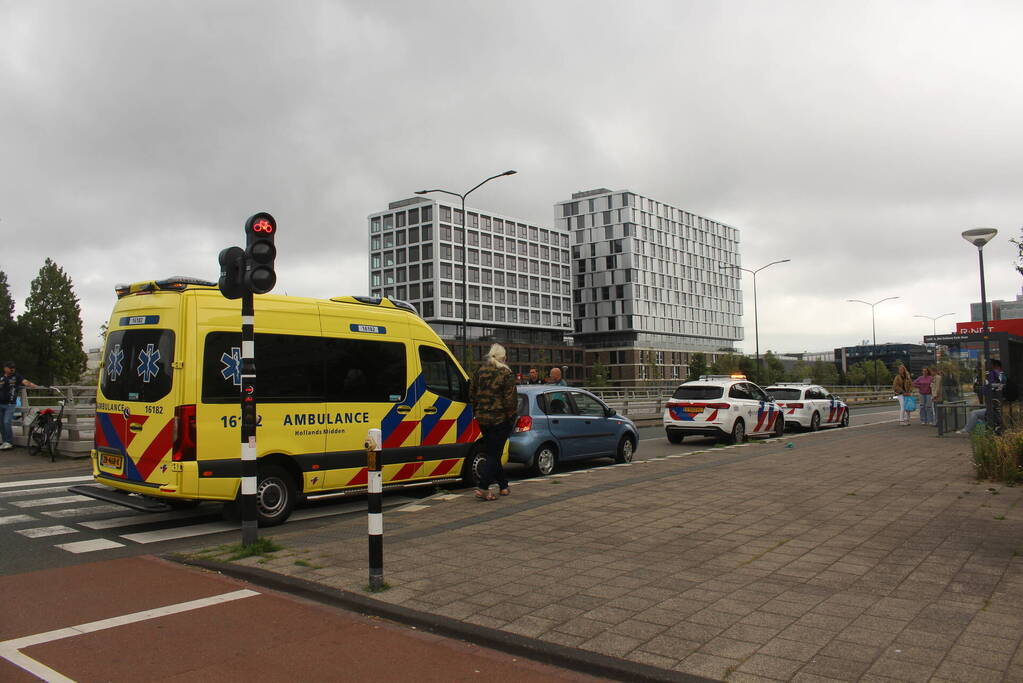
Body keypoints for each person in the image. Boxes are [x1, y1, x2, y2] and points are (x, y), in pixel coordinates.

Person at [469, 343, 517, 501]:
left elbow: (472, 393)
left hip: (482, 418)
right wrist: (511, 418)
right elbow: (510, 400)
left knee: (492, 452)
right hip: (499, 419)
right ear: (503, 357)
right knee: (494, 454)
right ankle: (483, 487)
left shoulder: (479, 371)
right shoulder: (506, 372)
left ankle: (503, 486)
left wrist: (477, 411)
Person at [0, 362, 39, 450]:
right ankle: (4, 441)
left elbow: (25, 382)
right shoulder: (1, 378)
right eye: (10, 367)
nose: (12, 369)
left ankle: (9, 442)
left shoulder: (17, 376)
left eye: (13, 368)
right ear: (5, 368)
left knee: (6, 422)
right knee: (1, 424)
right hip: (0, 403)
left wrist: (35, 386)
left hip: (10, 404)